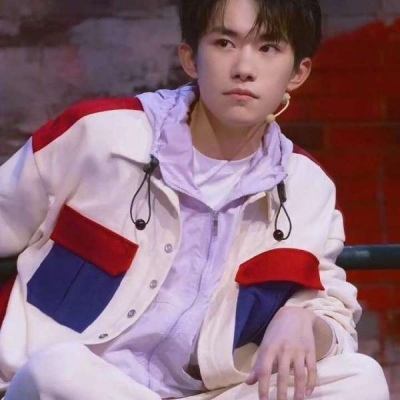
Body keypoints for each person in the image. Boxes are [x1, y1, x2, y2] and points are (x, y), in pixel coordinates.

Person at [0, 0, 390, 399]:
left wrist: (304, 321)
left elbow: (334, 313)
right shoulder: (100, 135)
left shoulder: (306, 187)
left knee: (359, 378)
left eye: (268, 48)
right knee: (57, 370)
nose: (244, 67)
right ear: (190, 58)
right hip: (79, 385)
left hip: (205, 391)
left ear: (298, 73)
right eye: (224, 43)